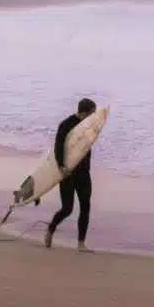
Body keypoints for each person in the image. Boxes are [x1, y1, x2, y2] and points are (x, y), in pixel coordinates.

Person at [44, 98, 96, 251]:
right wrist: (62, 167)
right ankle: (51, 228)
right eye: (91, 114)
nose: (93, 117)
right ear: (84, 113)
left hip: (84, 173)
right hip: (68, 173)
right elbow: (58, 147)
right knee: (67, 209)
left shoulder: (89, 125)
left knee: (85, 206)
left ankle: (81, 244)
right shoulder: (66, 125)